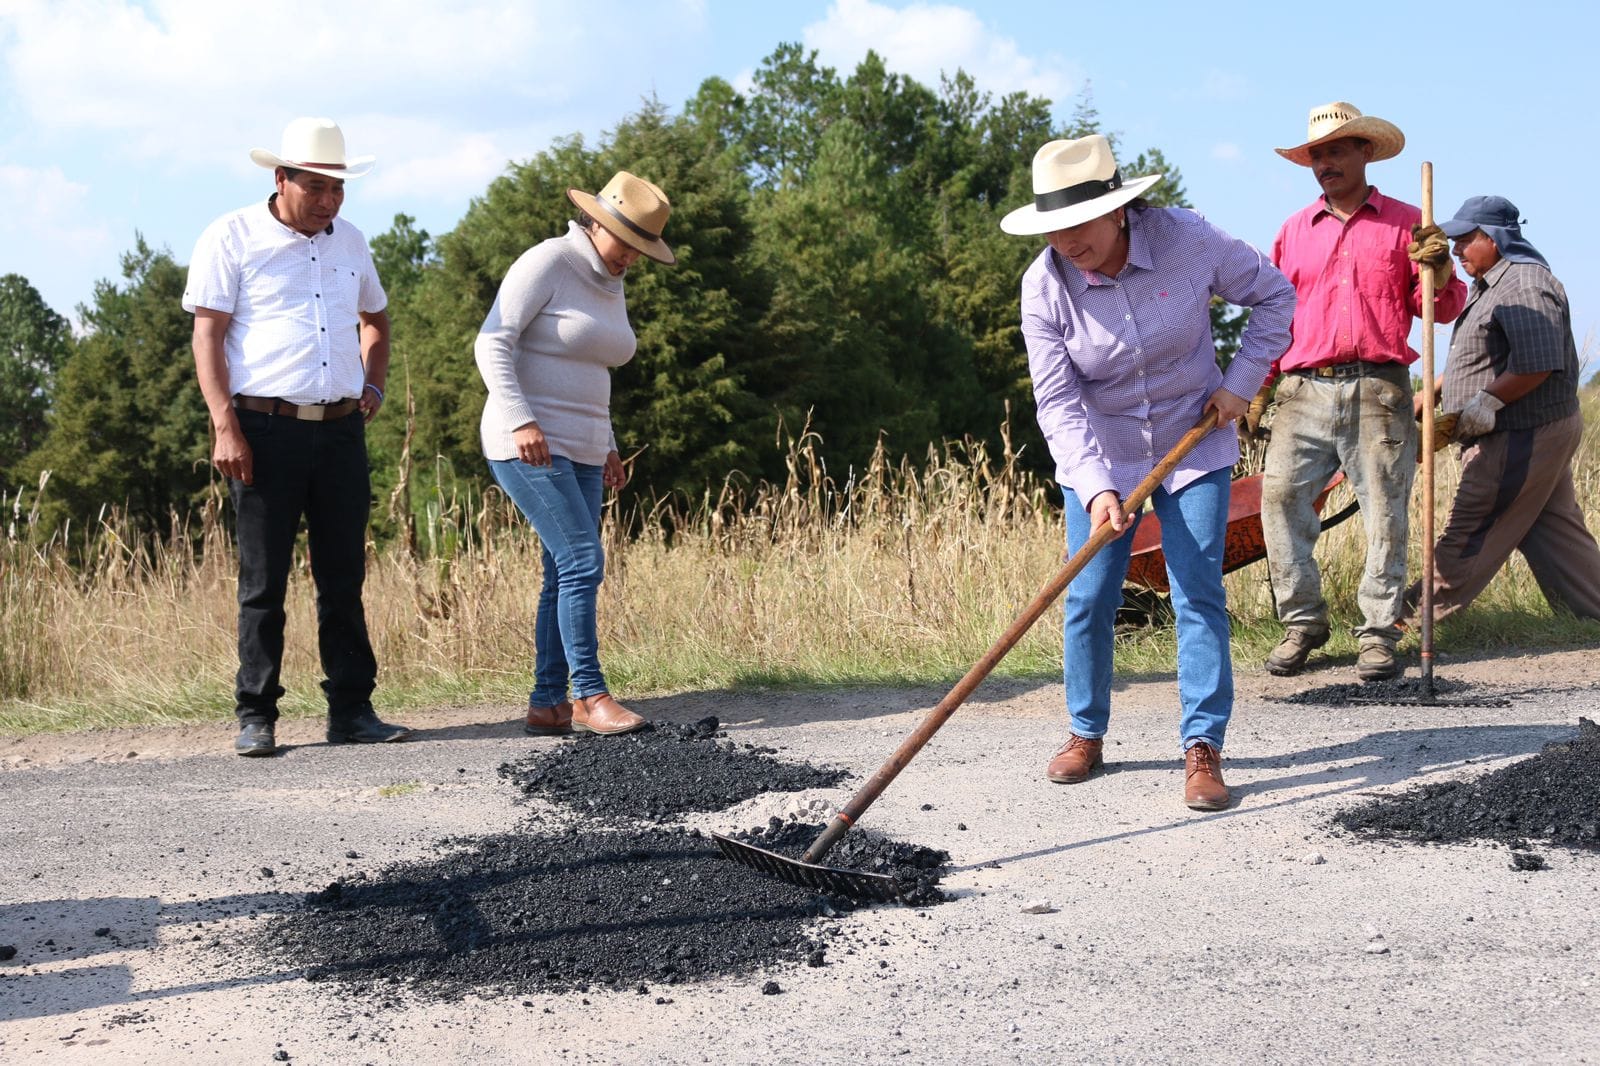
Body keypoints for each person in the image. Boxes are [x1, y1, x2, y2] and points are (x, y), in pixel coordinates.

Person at [1002, 134, 1295, 810]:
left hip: (1194, 438)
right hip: (1099, 453)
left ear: (1119, 212)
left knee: (1197, 590)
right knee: (1090, 593)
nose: (1065, 241)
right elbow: (1056, 398)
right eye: (1052, 228)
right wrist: (1097, 484)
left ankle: (1202, 748)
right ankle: (1085, 731)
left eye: (1078, 225)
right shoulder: (1044, 286)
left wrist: (1242, 383)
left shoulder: (1189, 240)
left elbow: (1275, 297)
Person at [184, 117, 411, 756]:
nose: (330, 201)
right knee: (265, 581)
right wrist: (225, 426)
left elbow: (377, 322)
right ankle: (256, 714)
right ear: (280, 179)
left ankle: (353, 711)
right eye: (316, 188)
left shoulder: (352, 243)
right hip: (263, 429)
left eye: (338, 189)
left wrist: (374, 387)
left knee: (343, 577)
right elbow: (208, 336)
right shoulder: (230, 236)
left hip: (341, 432)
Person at [1257, 102, 1468, 682]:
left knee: (1385, 511)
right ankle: (1303, 623)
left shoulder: (1408, 225)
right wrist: (1260, 384)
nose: (1325, 163)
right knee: (1280, 501)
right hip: (1303, 389)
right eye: (1316, 155)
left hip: (1379, 388)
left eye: (1336, 151)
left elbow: (1441, 309)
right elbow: (1277, 316)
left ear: (1365, 153)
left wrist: (1442, 269)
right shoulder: (1292, 232)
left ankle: (1378, 633)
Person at [475, 171, 675, 737]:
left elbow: (590, 368)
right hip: (527, 443)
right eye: (627, 244)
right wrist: (521, 418)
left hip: (585, 448)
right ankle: (589, 696)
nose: (631, 259)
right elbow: (492, 341)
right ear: (598, 223)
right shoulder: (548, 262)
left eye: (641, 250)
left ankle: (547, 702)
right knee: (584, 562)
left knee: (562, 571)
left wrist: (606, 444)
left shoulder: (611, 282)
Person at [1405, 196, 1600, 623]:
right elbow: (1485, 355)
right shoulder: (1492, 283)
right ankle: (1594, 616)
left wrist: (1489, 401)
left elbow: (1538, 363)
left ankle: (1409, 622)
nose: (1455, 250)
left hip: (1521, 430)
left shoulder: (1525, 284)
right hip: (1528, 429)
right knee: (1555, 532)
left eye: (1465, 240)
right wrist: (1434, 391)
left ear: (1494, 239)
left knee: (1474, 525)